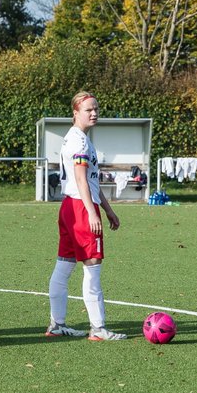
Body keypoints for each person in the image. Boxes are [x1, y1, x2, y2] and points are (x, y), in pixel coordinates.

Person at [46, 91, 126, 340]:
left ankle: (56, 324)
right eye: (88, 109)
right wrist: (93, 212)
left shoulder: (76, 138)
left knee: (64, 265)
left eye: (96, 109)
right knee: (92, 267)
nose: (94, 113)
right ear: (75, 113)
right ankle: (99, 329)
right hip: (81, 208)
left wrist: (108, 209)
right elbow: (81, 178)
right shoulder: (79, 142)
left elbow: (90, 179)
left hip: (70, 206)